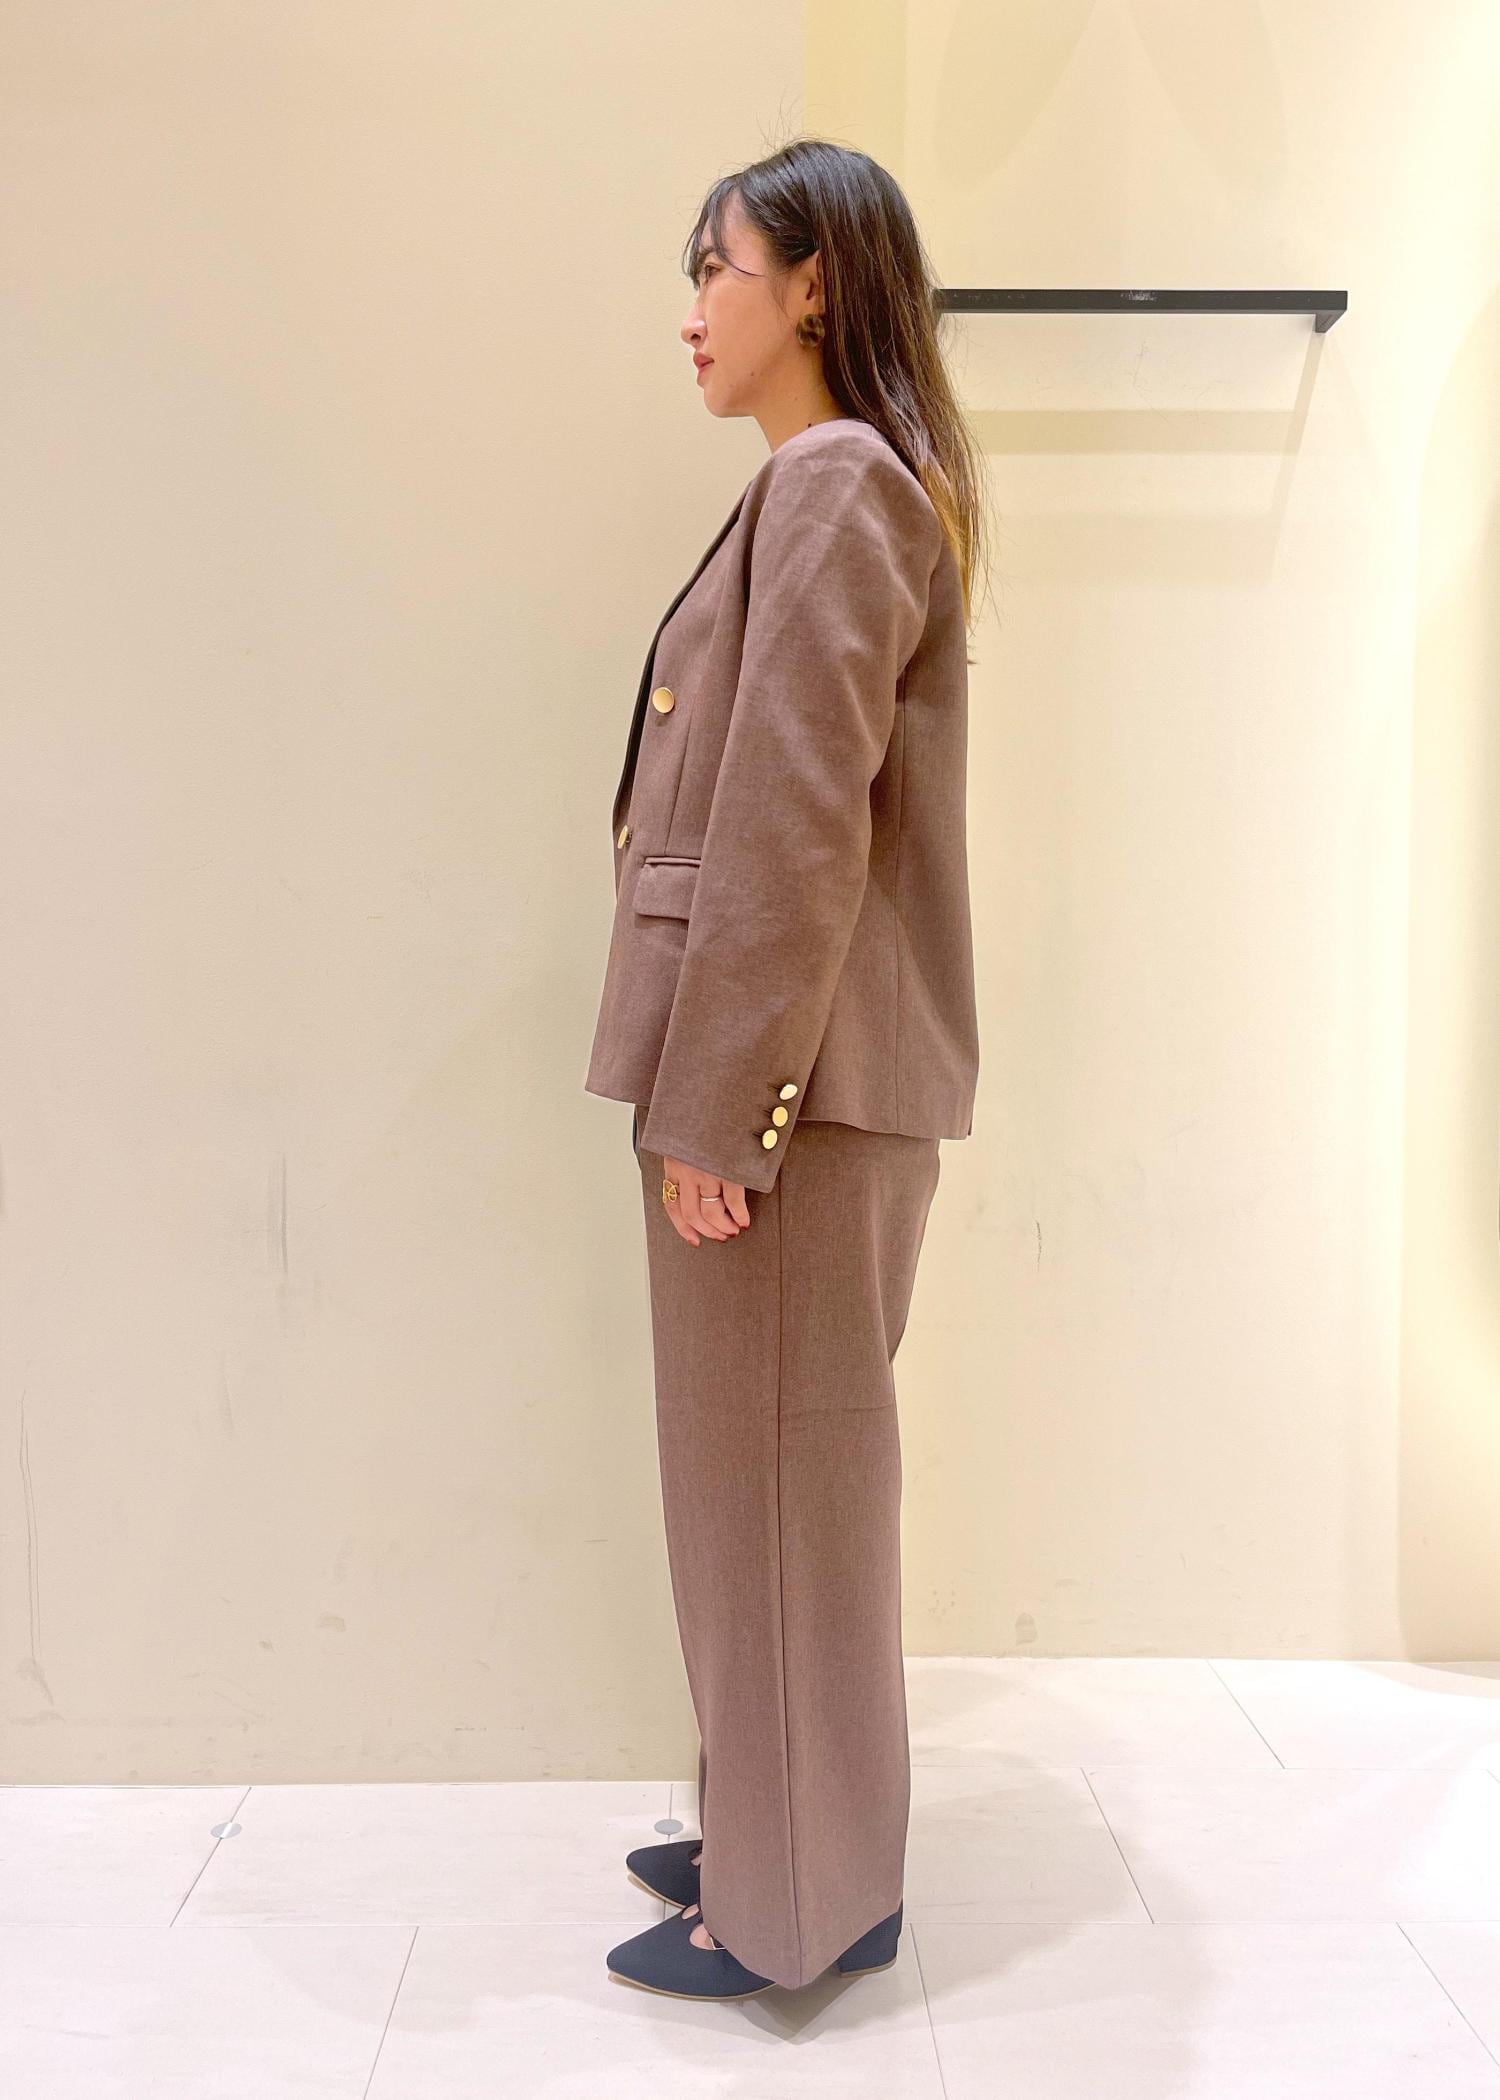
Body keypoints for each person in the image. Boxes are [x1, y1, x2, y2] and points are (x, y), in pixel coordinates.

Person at [584, 136, 986, 2000]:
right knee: (768, 1486)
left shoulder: (834, 485)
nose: (693, 308)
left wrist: (719, 1113)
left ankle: (797, 1904)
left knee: (773, 1494)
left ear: (813, 285)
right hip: (801, 1087)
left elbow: (794, 824)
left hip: (790, 1098)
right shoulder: (833, 485)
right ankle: (785, 1824)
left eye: (716, 267)